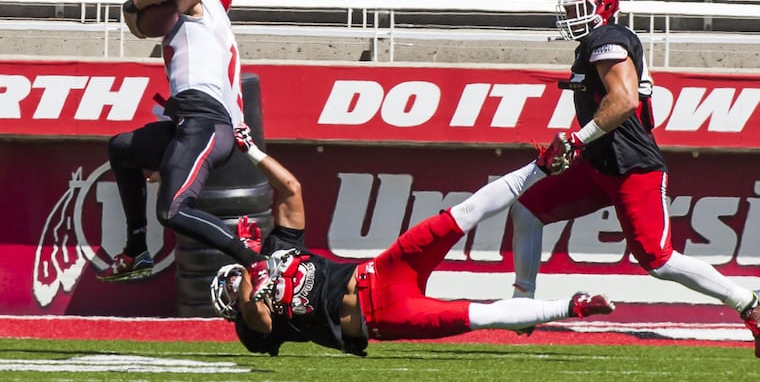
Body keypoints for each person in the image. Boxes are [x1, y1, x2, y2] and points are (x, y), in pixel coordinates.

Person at [510, 0, 760, 358]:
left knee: (658, 260)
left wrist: (577, 140)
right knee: (526, 210)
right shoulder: (595, 42)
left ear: (604, 6)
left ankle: (748, 301)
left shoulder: (609, 39)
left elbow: (625, 101)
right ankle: (523, 305)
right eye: (566, 8)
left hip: (633, 168)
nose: (569, 16)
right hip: (600, 166)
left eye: (577, 7)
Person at [209, 124, 615, 356]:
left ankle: (540, 166)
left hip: (381, 270)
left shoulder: (275, 251)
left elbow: (292, 190)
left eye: (230, 281)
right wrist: (251, 275)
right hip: (381, 316)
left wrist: (251, 151)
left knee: (461, 215)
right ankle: (574, 305)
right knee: (475, 315)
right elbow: (260, 319)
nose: (235, 288)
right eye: (231, 291)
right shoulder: (250, 327)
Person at [98, 0, 273, 299]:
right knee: (122, 147)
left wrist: (132, 7)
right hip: (194, 121)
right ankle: (136, 249)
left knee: (173, 211)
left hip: (203, 121)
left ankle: (256, 262)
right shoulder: (214, 31)